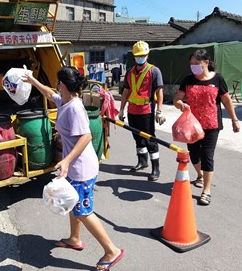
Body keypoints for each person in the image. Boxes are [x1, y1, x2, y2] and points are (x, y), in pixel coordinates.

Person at [22, 66, 125, 270]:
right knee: (73, 204)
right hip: (75, 167)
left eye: (58, 82)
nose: (55, 86)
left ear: (63, 84)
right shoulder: (65, 101)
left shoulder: (75, 107)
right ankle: (74, 239)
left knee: (83, 211)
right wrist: (33, 81)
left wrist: (67, 160)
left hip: (82, 168)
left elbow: (86, 136)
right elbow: (50, 94)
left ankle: (111, 250)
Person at [173, 49, 240, 205]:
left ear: (206, 63)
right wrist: (180, 104)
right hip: (192, 125)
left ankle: (206, 191)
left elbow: (226, 100)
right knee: (194, 155)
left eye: (197, 63)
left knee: (207, 155)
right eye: (191, 63)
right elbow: (177, 98)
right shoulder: (188, 80)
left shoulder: (217, 79)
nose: (193, 66)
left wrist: (234, 119)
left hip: (212, 125)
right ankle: (200, 175)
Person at [118, 41, 166, 181]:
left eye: (143, 55)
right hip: (133, 110)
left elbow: (160, 91)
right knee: (137, 138)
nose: (140, 58)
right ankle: (142, 161)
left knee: (150, 139)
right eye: (138, 55)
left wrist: (159, 110)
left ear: (147, 55)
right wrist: (122, 109)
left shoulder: (154, 71)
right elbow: (126, 92)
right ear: (134, 56)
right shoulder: (130, 72)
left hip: (147, 111)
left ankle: (155, 168)